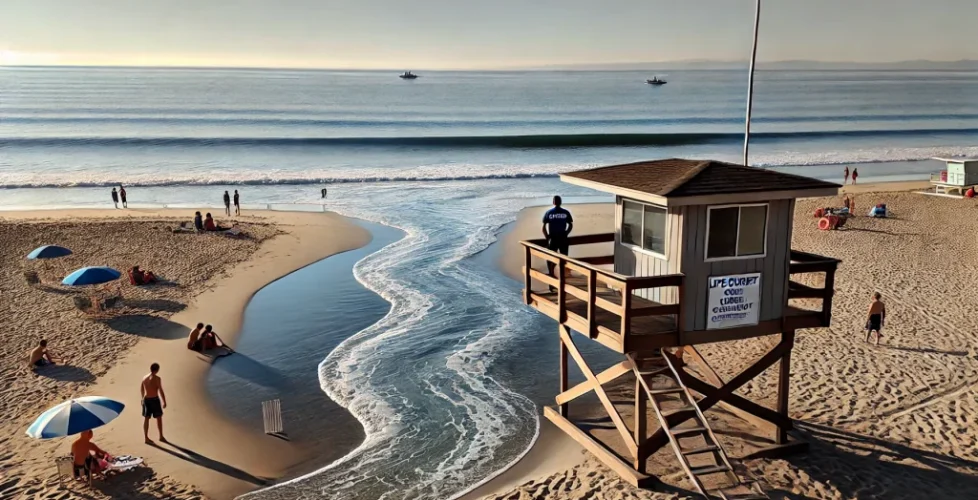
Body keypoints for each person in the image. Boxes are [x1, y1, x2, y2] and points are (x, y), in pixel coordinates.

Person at [542, 196, 573, 278]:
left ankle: (551, 273)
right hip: (563, 237)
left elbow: (544, 227)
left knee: (550, 257)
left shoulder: (549, 212)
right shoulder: (565, 212)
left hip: (553, 238)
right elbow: (570, 224)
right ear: (560, 202)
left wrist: (547, 236)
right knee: (564, 257)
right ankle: (564, 274)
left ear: (553, 202)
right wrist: (566, 233)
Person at [141, 363, 167, 444]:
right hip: (154, 399)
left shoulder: (144, 377)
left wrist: (142, 398)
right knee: (159, 418)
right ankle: (161, 436)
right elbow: (160, 390)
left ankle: (146, 437)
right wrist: (164, 401)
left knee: (146, 418)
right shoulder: (157, 378)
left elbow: (141, 388)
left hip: (146, 399)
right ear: (157, 370)